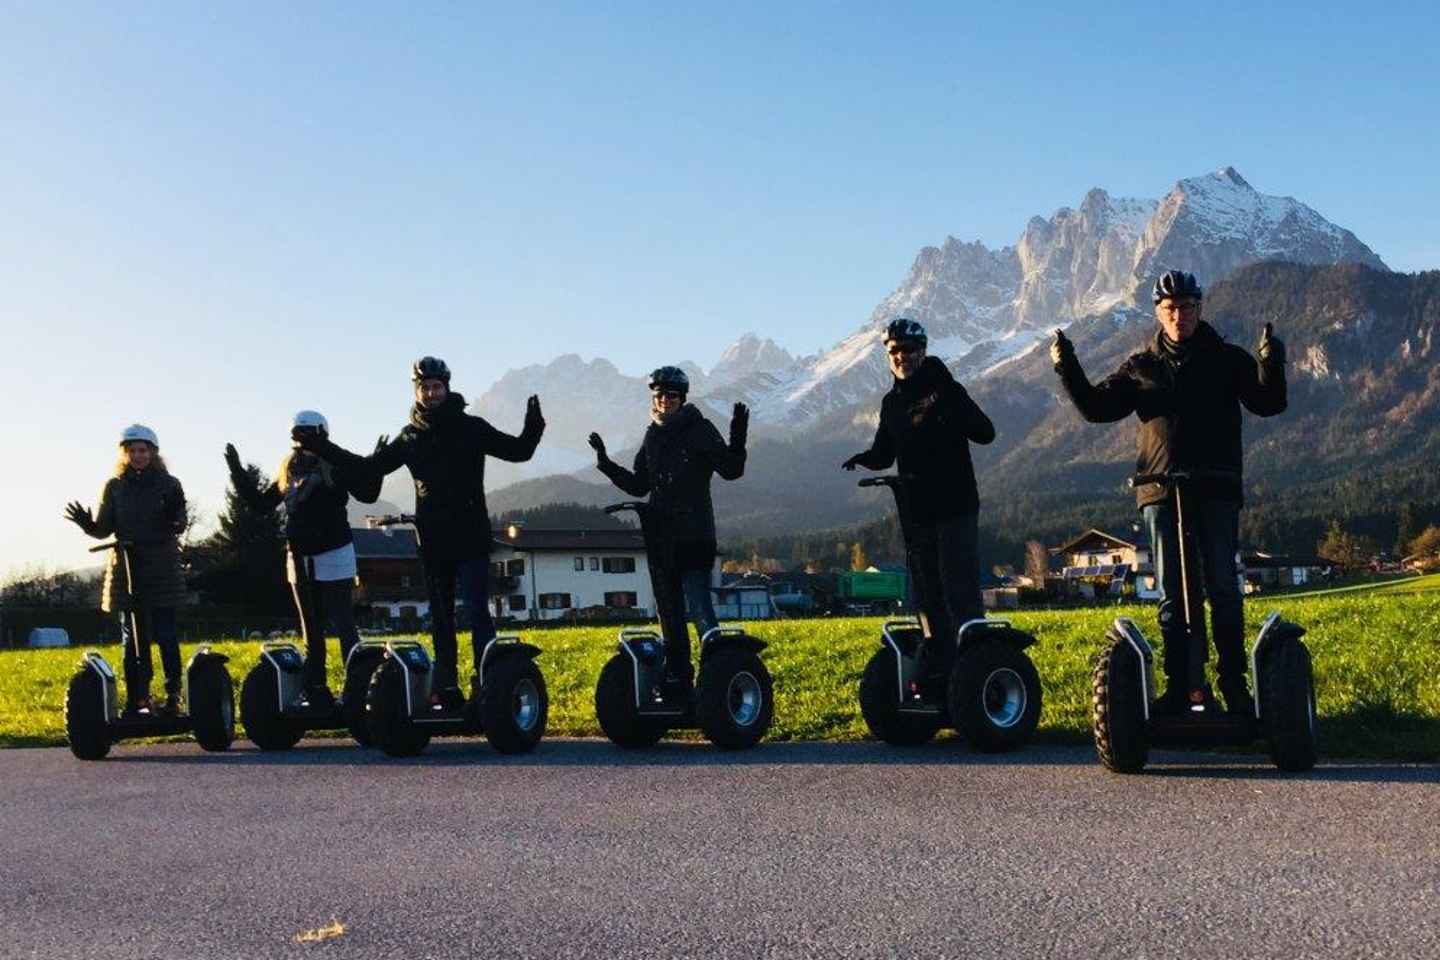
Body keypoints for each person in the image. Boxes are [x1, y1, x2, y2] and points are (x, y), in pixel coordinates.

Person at [1050, 269, 1287, 715]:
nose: (1179, 315)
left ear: (1200, 308)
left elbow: (1269, 403)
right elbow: (1097, 409)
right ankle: (1182, 689)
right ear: (1158, 313)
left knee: (1222, 587)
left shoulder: (1228, 359)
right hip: (1159, 492)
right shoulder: (1142, 367)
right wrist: (1067, 367)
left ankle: (1234, 687)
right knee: (1174, 595)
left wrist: (1272, 361)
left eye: (1188, 307)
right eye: (1170, 308)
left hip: (1215, 487)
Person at [295, 357, 544, 709]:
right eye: (424, 388)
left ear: (447, 387)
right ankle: (446, 688)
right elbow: (369, 467)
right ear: (417, 391)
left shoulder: (471, 427)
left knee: (477, 612)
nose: (430, 393)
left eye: (436, 387)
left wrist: (533, 427)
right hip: (432, 539)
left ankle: (488, 685)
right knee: (441, 618)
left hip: (470, 534)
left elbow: (519, 452)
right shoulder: (410, 436)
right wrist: (323, 449)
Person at [842, 318, 996, 690]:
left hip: (956, 502)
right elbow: (884, 452)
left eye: (908, 350)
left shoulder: (946, 389)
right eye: (894, 351)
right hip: (918, 509)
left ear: (923, 351)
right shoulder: (892, 402)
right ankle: (940, 660)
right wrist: (864, 458)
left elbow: (985, 432)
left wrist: (950, 409)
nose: (901, 357)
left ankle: (974, 665)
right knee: (926, 590)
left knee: (958, 583)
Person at [588, 366, 748, 689]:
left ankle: (717, 678)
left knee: (699, 607)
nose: (664, 401)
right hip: (662, 540)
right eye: (659, 395)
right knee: (670, 615)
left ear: (682, 398)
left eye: (671, 396)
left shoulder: (699, 429)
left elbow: (732, 470)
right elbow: (639, 485)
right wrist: (605, 463)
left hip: (695, 536)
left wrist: (738, 437)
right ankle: (678, 677)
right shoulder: (653, 435)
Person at [224, 411, 383, 706]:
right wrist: (237, 471)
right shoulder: (289, 468)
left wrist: (375, 465)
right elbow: (261, 504)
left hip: (334, 551)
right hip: (298, 555)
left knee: (344, 623)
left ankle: (358, 689)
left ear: (322, 434)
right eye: (299, 434)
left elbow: (368, 494)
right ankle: (316, 688)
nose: (303, 440)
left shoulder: (335, 465)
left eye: (308, 434)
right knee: (311, 628)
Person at [64, 424, 188, 716]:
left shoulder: (169, 484)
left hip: (161, 566)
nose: (137, 456)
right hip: (127, 567)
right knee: (133, 637)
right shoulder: (115, 486)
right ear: (125, 454)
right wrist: (88, 526)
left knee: (166, 633)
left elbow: (179, 523)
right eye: (132, 451)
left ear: (153, 452)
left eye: (142, 450)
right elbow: (105, 528)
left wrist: (173, 518)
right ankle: (139, 698)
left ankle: (173, 695)